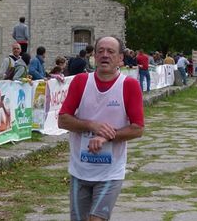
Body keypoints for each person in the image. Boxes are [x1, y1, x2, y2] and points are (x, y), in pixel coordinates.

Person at [58, 36, 144, 221]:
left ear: (121, 58)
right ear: (94, 57)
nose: (105, 55)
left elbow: (137, 128)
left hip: (110, 172)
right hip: (79, 170)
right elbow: (63, 120)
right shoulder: (81, 81)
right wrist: (91, 125)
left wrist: (107, 136)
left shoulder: (129, 85)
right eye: (101, 51)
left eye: (111, 52)